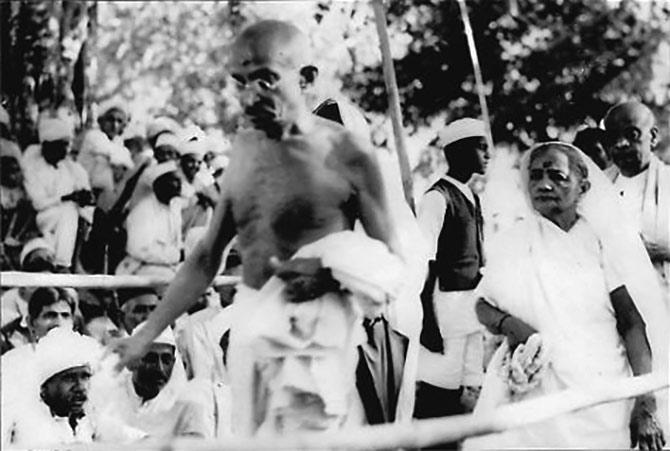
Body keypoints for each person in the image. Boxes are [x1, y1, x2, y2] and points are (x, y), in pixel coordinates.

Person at [110, 20, 411, 435]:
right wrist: (147, 334)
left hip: (314, 347)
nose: (252, 95)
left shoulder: (347, 153)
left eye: (267, 79)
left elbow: (394, 261)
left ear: (306, 79)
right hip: (250, 336)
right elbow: (204, 259)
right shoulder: (245, 152)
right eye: (241, 82)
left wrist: (330, 274)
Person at [465, 142, 667, 450]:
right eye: (535, 176)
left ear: (583, 186)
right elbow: (482, 304)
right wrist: (509, 325)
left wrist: (645, 401)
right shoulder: (511, 242)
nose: (544, 184)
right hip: (532, 394)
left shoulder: (604, 242)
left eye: (557, 176)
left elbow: (632, 324)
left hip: (599, 398)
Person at [414, 118, 488, 433]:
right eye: (481, 147)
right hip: (444, 308)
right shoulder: (437, 198)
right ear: (458, 152)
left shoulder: (472, 196)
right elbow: (423, 263)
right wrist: (428, 321)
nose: (488, 154)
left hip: (470, 307)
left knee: (469, 391)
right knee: (439, 391)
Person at [92, 322, 210, 439]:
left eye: (166, 360)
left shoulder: (188, 404)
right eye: (150, 359)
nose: (160, 368)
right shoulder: (109, 395)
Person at [603, 101, 670, 295]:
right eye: (613, 137)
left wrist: (658, 250)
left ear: (653, 137)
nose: (621, 144)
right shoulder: (597, 186)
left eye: (631, 135)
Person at [1, 327, 102, 448]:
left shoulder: (94, 421)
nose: (80, 387)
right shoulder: (20, 423)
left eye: (85, 376)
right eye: (69, 378)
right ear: (45, 387)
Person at [21, 115, 95, 271]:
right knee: (68, 211)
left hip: (67, 217)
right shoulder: (33, 168)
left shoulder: (69, 168)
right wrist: (66, 198)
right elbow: (38, 203)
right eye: (61, 146)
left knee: (71, 212)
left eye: (67, 145)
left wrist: (84, 200)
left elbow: (84, 196)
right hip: (42, 217)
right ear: (47, 145)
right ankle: (62, 264)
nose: (66, 151)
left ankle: (59, 262)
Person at [115, 161, 183, 278]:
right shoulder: (143, 211)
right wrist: (175, 255)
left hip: (167, 266)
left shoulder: (174, 208)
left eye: (179, 180)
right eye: (173, 180)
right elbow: (139, 250)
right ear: (158, 185)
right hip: (138, 269)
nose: (179, 184)